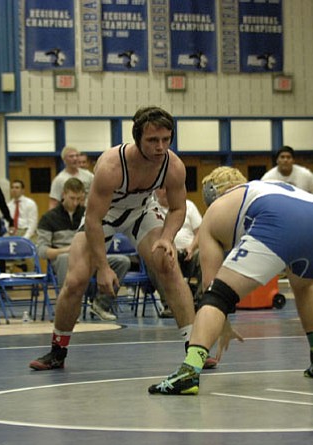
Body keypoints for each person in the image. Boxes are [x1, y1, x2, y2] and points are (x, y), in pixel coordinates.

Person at [29, 106, 196, 371]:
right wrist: (104, 267)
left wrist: (166, 237)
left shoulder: (173, 165)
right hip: (104, 216)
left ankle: (195, 349)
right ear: (137, 138)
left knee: (167, 264)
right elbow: (94, 220)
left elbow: (178, 208)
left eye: (166, 139)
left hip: (141, 211)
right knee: (76, 279)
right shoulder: (111, 165)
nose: (160, 147)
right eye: (152, 140)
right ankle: (57, 351)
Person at [148, 167, 313, 395]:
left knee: (217, 295)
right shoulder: (261, 188)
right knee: (305, 284)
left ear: (211, 195)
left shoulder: (215, 211)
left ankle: (189, 371)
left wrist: (223, 324)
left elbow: (211, 286)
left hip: (278, 218)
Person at [36, 178, 130, 321]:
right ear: (63, 194)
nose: (75, 203)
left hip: (88, 256)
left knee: (122, 261)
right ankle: (69, 308)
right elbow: (42, 251)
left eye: (79, 199)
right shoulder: (48, 218)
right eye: (72, 198)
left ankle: (101, 304)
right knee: (65, 259)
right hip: (62, 258)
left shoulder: (89, 214)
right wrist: (69, 249)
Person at [153, 186, 203, 315]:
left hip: (189, 253)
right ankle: (170, 305)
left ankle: (200, 300)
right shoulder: (151, 210)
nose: (165, 191)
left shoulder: (189, 206)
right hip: (167, 253)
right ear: (155, 191)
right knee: (158, 257)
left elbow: (200, 233)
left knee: (204, 255)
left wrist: (191, 248)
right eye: (160, 188)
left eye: (166, 187)